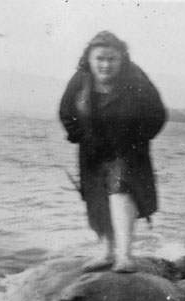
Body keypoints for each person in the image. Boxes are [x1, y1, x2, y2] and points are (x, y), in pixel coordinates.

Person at [59, 31, 166, 271]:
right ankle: (107, 252)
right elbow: (66, 112)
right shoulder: (80, 79)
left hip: (127, 150)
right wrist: (81, 136)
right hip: (92, 150)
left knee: (121, 193)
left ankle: (125, 255)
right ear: (89, 59)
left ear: (121, 59)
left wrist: (135, 140)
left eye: (111, 59)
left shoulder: (136, 79)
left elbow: (157, 114)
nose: (105, 65)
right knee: (97, 199)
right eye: (100, 59)